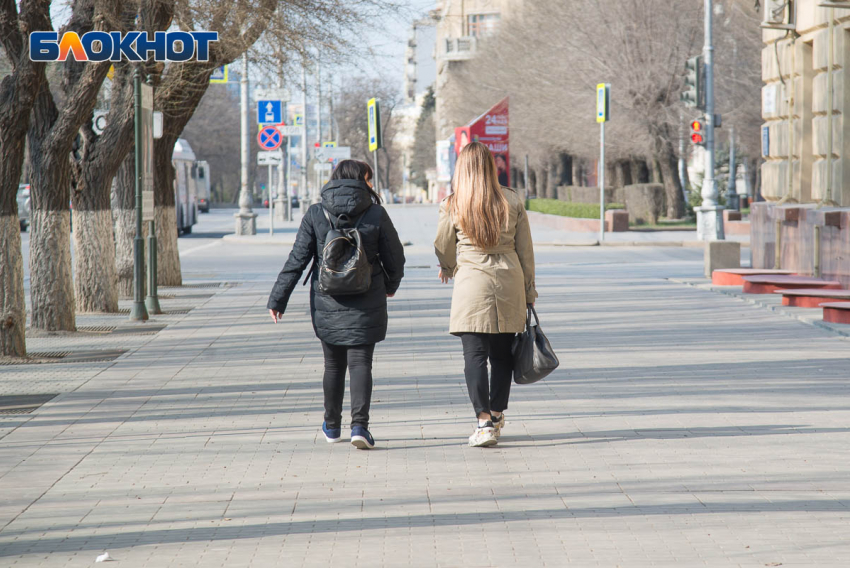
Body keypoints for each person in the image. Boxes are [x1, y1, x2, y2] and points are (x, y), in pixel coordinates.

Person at [268, 160, 405, 449]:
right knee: (360, 363)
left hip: (327, 299)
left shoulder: (317, 213)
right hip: (367, 297)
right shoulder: (376, 213)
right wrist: (390, 286)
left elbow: (297, 259)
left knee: (333, 365)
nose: (371, 185)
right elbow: (396, 257)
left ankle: (332, 426)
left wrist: (278, 298)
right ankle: (359, 426)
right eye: (369, 180)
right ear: (360, 180)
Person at [434, 142, 537, 448]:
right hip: (509, 280)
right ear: (492, 168)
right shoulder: (511, 200)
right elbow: (525, 251)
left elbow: (442, 244)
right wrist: (529, 290)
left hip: (471, 283)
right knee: (502, 355)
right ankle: (496, 412)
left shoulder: (453, 203)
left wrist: (449, 266)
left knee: (474, 357)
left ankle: (483, 423)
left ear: (461, 170)